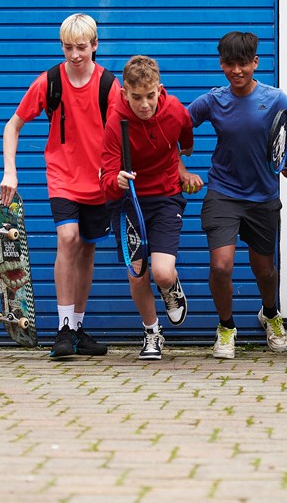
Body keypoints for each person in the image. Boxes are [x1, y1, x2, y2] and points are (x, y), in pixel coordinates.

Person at [188, 31, 287, 359]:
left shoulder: (275, 99)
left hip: (263, 197)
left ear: (255, 62)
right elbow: (175, 127)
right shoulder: (212, 101)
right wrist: (180, 164)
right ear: (221, 64)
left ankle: (270, 313)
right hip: (223, 193)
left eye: (243, 63)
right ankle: (226, 327)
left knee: (264, 270)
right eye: (230, 64)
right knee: (221, 265)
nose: (237, 70)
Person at [0, 13, 119, 359]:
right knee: (68, 239)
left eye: (81, 47)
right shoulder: (50, 81)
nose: (75, 54)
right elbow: (13, 125)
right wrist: (11, 171)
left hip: (99, 181)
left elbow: (126, 131)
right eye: (68, 47)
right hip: (63, 175)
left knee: (87, 249)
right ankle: (63, 328)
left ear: (95, 45)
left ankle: (78, 328)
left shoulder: (108, 85)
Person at [100, 55, 203, 361]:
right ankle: (151, 333)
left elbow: (185, 140)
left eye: (149, 96)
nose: (144, 104)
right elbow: (105, 175)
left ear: (160, 89)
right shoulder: (115, 122)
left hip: (164, 197)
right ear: (124, 94)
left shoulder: (175, 112)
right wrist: (115, 180)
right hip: (127, 201)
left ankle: (170, 287)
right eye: (136, 98)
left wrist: (181, 167)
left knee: (161, 272)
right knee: (137, 274)